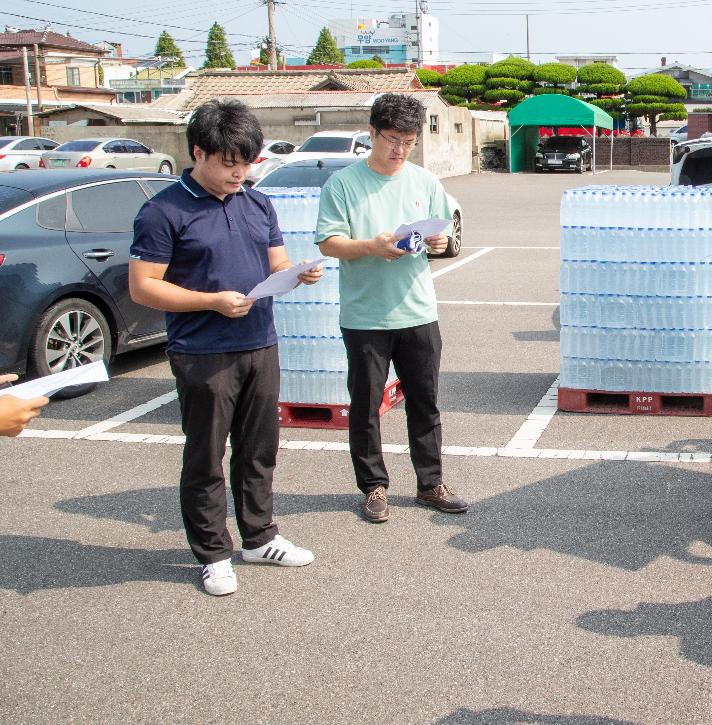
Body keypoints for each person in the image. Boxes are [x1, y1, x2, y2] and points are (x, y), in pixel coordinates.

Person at [130, 99, 321, 597]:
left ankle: (259, 537)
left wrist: (297, 273)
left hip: (260, 341)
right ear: (199, 152)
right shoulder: (163, 211)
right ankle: (213, 553)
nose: (240, 173)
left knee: (260, 450)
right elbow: (143, 287)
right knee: (206, 456)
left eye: (247, 162)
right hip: (202, 351)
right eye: (229, 163)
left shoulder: (257, 203)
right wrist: (210, 302)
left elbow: (275, 262)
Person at [315, 92, 466, 523]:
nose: (399, 149)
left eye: (408, 140)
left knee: (426, 402)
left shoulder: (424, 182)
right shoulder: (343, 185)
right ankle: (373, 487)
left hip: (418, 310)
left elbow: (438, 236)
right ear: (372, 133)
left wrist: (438, 244)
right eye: (391, 139)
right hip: (365, 317)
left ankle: (430, 483)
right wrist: (372, 246)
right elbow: (329, 242)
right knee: (364, 406)